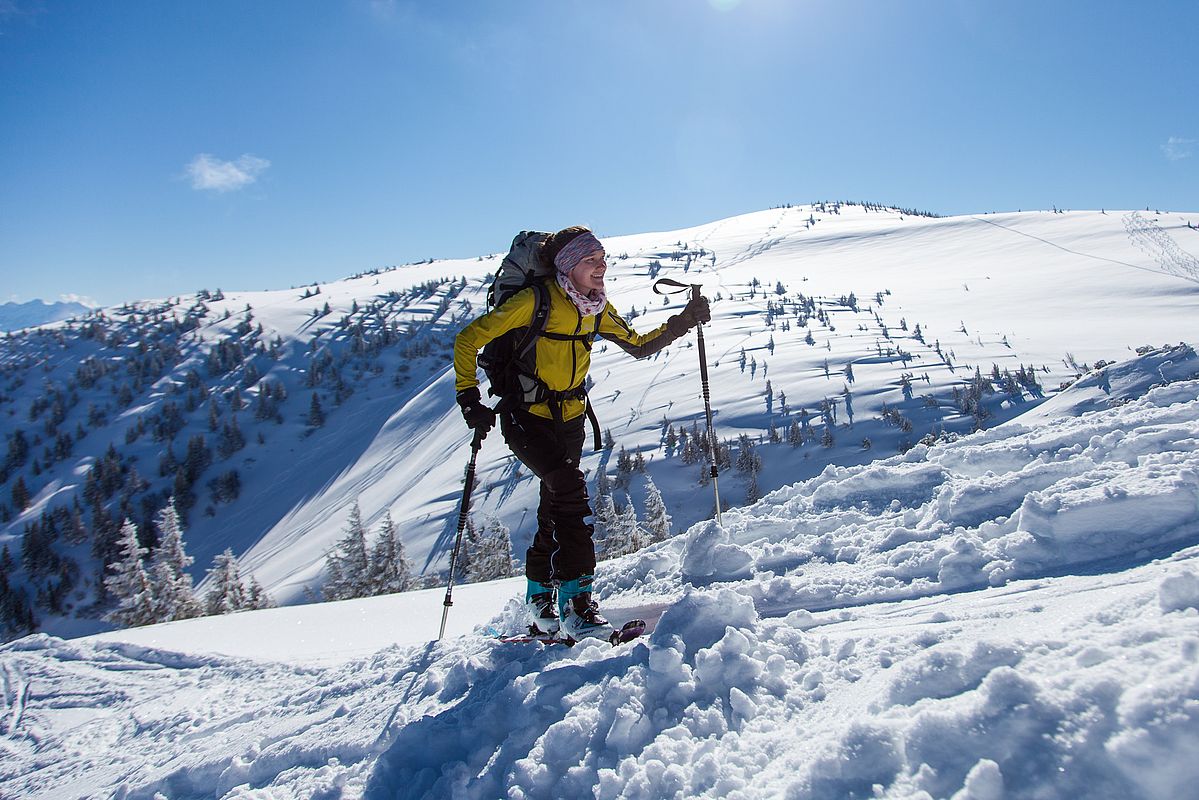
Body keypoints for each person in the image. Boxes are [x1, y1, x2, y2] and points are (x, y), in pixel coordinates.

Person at [453, 226, 710, 640]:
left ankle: (540, 602)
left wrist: (684, 320)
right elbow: (468, 340)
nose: (601, 267)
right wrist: (469, 399)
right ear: (568, 266)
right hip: (526, 417)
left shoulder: (595, 308)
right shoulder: (534, 301)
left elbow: (639, 345)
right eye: (591, 261)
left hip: (570, 419)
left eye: (603, 260)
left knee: (553, 506)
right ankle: (576, 606)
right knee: (570, 492)